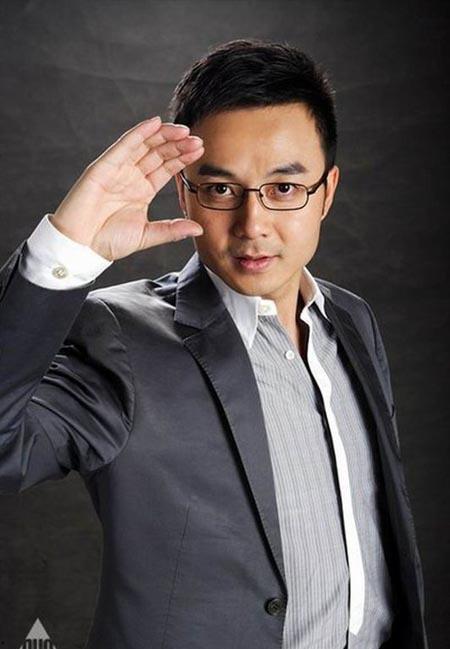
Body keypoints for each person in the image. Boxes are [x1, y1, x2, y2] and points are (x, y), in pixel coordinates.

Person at [0, 38, 427, 649]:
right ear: (184, 192)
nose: (253, 226)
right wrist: (67, 246)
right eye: (221, 189)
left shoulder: (352, 320)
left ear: (327, 192)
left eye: (285, 188)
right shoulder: (118, 336)